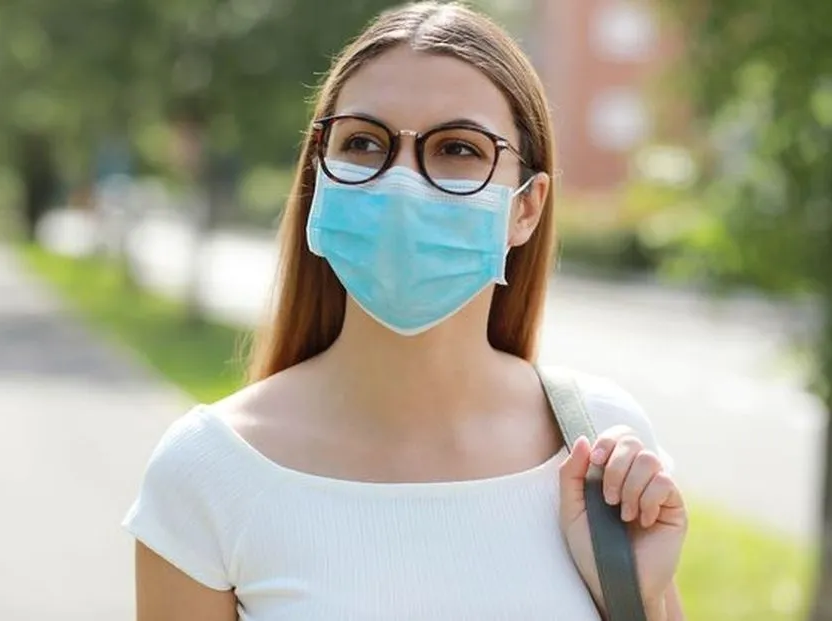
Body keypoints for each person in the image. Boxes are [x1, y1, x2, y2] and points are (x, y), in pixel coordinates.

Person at [122, 2, 688, 620]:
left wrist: (635, 597)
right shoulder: (209, 473)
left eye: (458, 149)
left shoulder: (600, 448)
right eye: (363, 142)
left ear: (526, 207)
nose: (401, 183)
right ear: (319, 173)